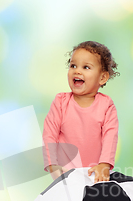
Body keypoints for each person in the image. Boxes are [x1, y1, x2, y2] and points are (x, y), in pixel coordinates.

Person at [42, 41, 120, 183]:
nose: (77, 71)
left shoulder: (106, 105)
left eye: (86, 67)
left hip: (96, 174)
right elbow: (49, 135)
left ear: (102, 77)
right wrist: (52, 165)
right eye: (73, 65)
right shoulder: (60, 102)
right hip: (65, 174)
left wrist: (104, 164)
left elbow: (111, 136)